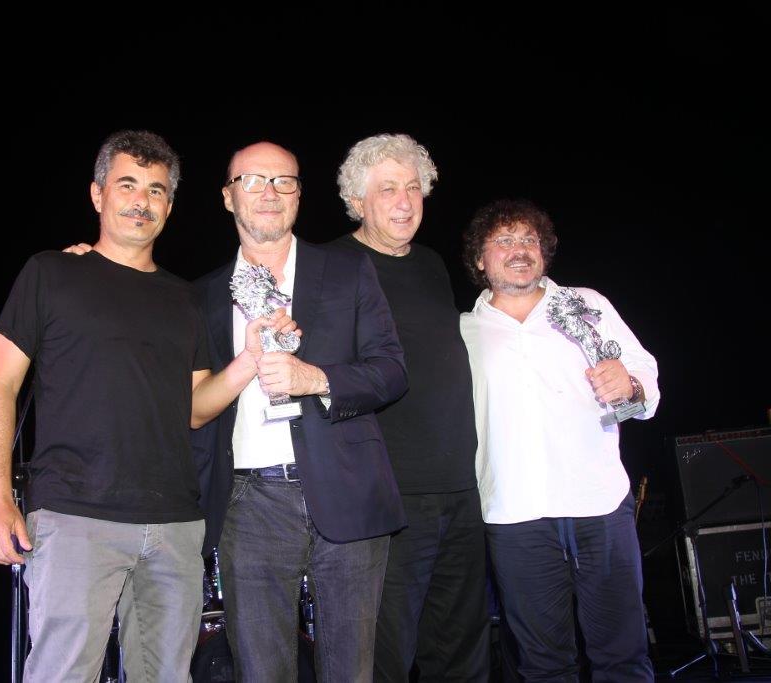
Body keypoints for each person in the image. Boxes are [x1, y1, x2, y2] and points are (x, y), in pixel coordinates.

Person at [0, 130, 294, 682]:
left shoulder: (184, 297)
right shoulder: (51, 273)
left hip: (175, 525)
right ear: (97, 194)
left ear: (169, 206)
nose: (141, 201)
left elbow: (196, 407)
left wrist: (248, 360)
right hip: (75, 516)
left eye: (156, 190)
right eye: (127, 185)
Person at [193, 141, 407, 682]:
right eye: (253, 180)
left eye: (283, 181)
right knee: (262, 672)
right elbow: (191, 405)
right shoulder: (200, 295)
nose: (270, 192)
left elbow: (391, 370)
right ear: (228, 197)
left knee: (351, 671)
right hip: (248, 505)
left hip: (348, 489)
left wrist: (316, 379)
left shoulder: (348, 269)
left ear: (299, 195)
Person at [459, 199, 659, 682]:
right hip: (514, 515)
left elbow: (644, 372)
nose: (519, 249)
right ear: (480, 259)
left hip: (599, 503)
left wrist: (630, 384)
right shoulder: (463, 331)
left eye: (529, 239)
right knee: (544, 665)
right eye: (504, 241)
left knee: (623, 656)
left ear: (544, 251)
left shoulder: (588, 305)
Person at [332, 133, 489, 681]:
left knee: (463, 651)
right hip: (390, 495)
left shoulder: (431, 264)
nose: (405, 202)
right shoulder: (332, 266)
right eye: (388, 189)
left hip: (461, 487)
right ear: (357, 200)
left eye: (413, 188)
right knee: (385, 655)